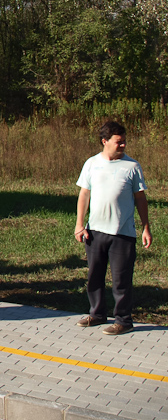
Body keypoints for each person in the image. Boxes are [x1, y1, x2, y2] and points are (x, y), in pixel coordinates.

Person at [74, 121, 152, 335]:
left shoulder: (132, 166)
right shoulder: (91, 164)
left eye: (125, 141)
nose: (123, 145)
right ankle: (97, 314)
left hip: (122, 234)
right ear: (105, 141)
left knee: (121, 280)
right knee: (94, 276)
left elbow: (140, 199)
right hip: (95, 231)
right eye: (119, 142)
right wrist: (80, 224)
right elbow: (84, 194)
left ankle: (123, 321)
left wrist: (146, 227)